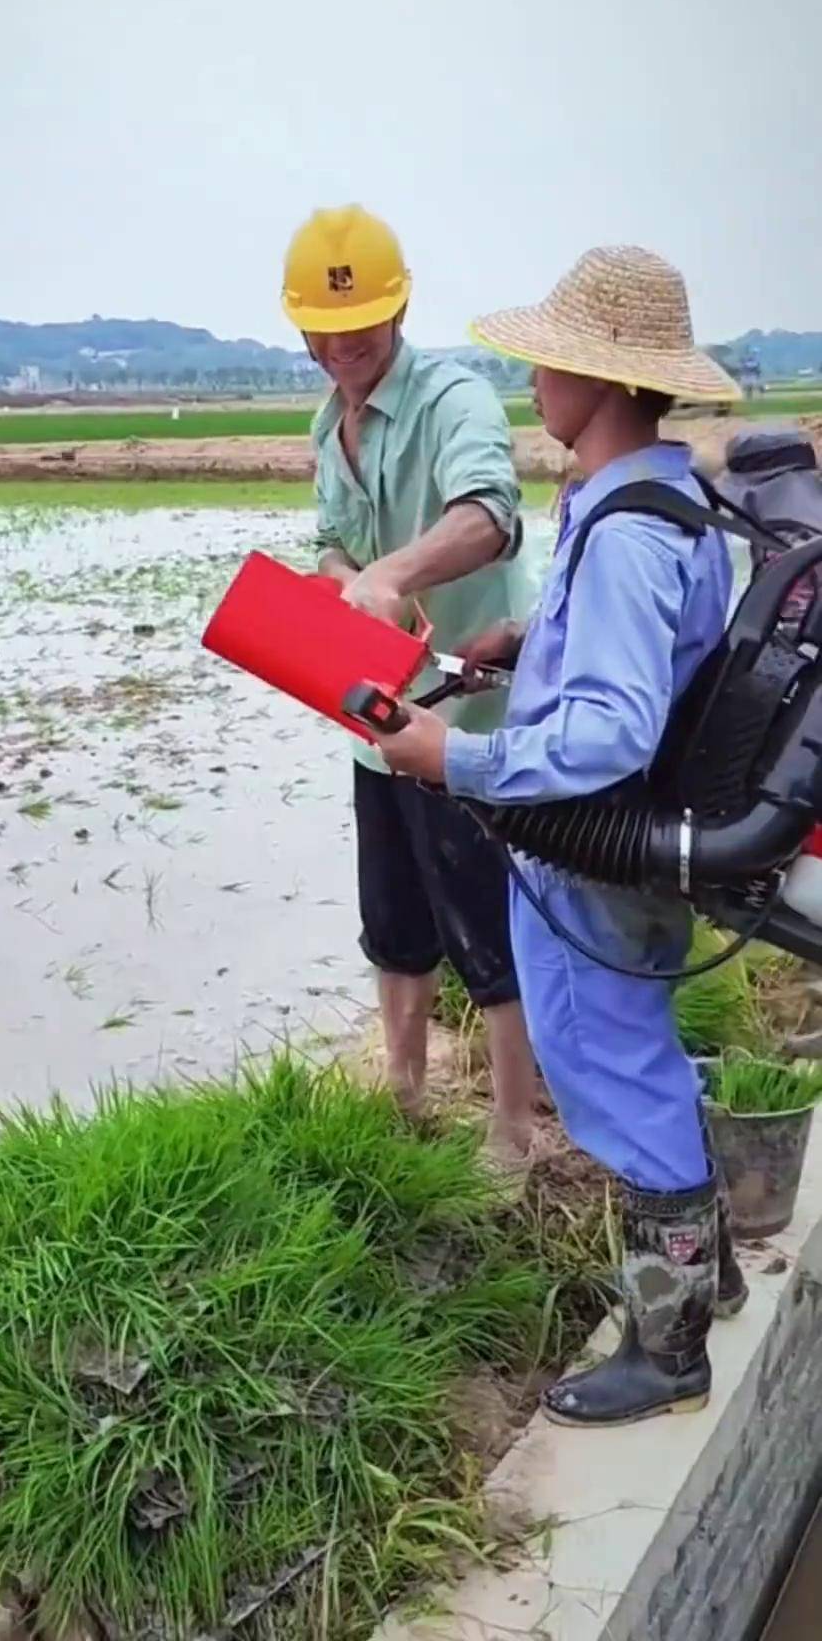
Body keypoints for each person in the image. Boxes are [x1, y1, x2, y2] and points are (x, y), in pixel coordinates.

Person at [365, 243, 749, 1428]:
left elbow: (616, 726)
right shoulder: (651, 497)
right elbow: (636, 656)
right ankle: (713, 1275)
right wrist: (523, 642)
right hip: (617, 853)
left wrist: (458, 757)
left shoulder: (627, 528)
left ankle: (669, 1347)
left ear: (608, 382)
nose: (531, 378)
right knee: (639, 1063)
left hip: (591, 860)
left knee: (614, 1075)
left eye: (551, 361)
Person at [281, 204, 537, 1154]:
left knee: (489, 926)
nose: (343, 348)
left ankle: (514, 1130)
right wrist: (350, 579)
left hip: (471, 716)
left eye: (361, 328)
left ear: (399, 310)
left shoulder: (453, 401)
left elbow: (489, 516)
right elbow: (330, 550)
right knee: (391, 918)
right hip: (376, 719)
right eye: (325, 332)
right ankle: (405, 1095)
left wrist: (395, 574)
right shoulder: (326, 426)